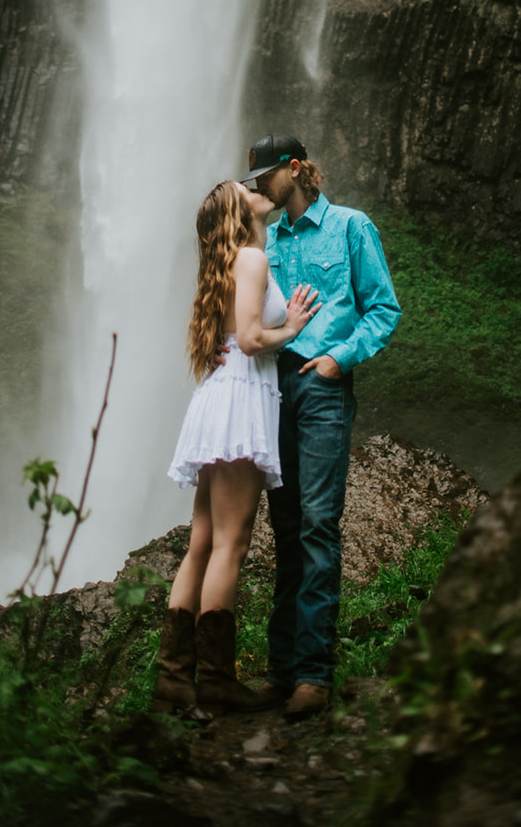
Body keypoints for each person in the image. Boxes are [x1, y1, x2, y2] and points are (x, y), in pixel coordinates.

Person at [241, 133, 401, 719]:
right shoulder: (268, 237)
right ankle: (281, 672)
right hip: (272, 388)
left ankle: (313, 673)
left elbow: (384, 308)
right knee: (283, 527)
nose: (260, 184)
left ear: (296, 168)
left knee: (317, 523)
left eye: (266, 175)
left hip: (323, 390)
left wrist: (342, 358)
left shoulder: (352, 228)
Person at [157, 179, 320, 713]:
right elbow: (251, 340)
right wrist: (292, 326)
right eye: (243, 187)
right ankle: (217, 679)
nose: (255, 187)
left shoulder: (227, 262)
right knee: (233, 542)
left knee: (202, 541)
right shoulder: (250, 258)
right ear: (235, 208)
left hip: (218, 397)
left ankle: (175, 679)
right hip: (242, 397)